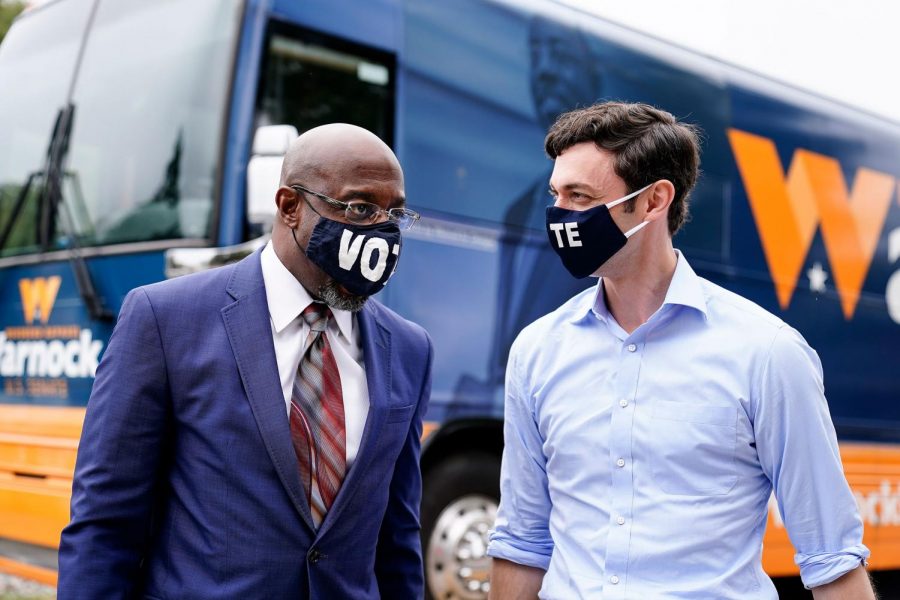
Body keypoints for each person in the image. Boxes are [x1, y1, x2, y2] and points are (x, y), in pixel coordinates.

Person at [486, 102, 874, 599]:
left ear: (654, 201)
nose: (560, 214)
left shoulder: (768, 354)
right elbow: (521, 540)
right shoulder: (537, 350)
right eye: (556, 194)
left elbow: (832, 560)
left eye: (580, 196)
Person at [58, 124, 433, 599]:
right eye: (360, 208)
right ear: (289, 207)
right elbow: (104, 523)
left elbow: (397, 537)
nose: (380, 231)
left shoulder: (409, 348)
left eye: (394, 214)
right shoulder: (165, 319)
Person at [453, 15, 602, 412]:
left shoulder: (616, 209)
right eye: (537, 54)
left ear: (593, 72)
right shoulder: (518, 209)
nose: (546, 70)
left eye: (560, 53)